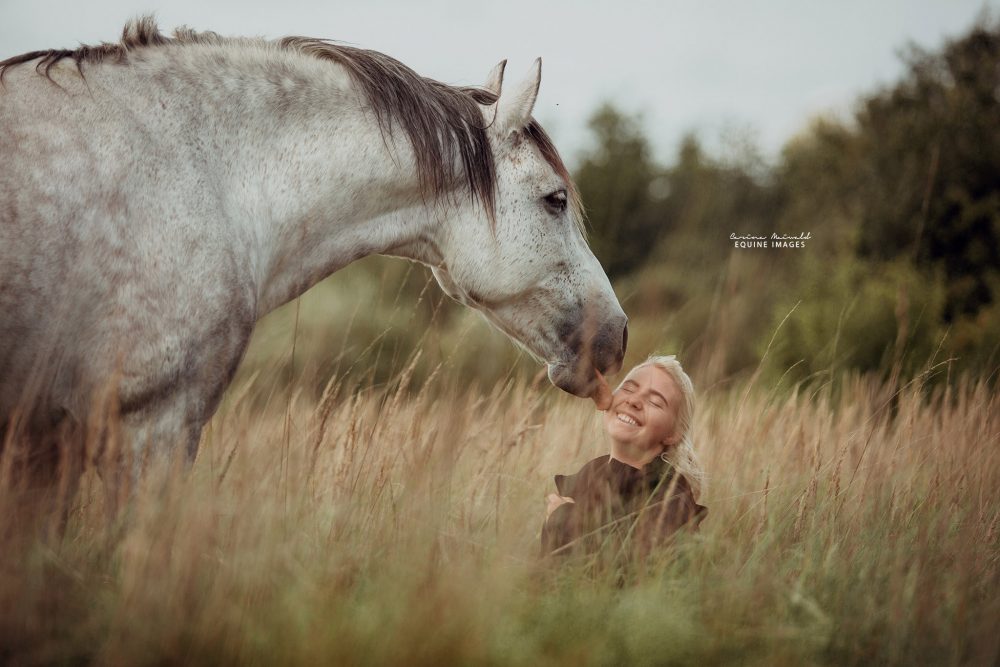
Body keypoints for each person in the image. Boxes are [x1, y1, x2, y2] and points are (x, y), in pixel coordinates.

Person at [540, 355, 707, 558]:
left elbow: (635, 564)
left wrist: (561, 518)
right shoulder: (591, 472)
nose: (634, 401)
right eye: (628, 388)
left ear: (673, 433)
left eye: (655, 402)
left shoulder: (670, 493)